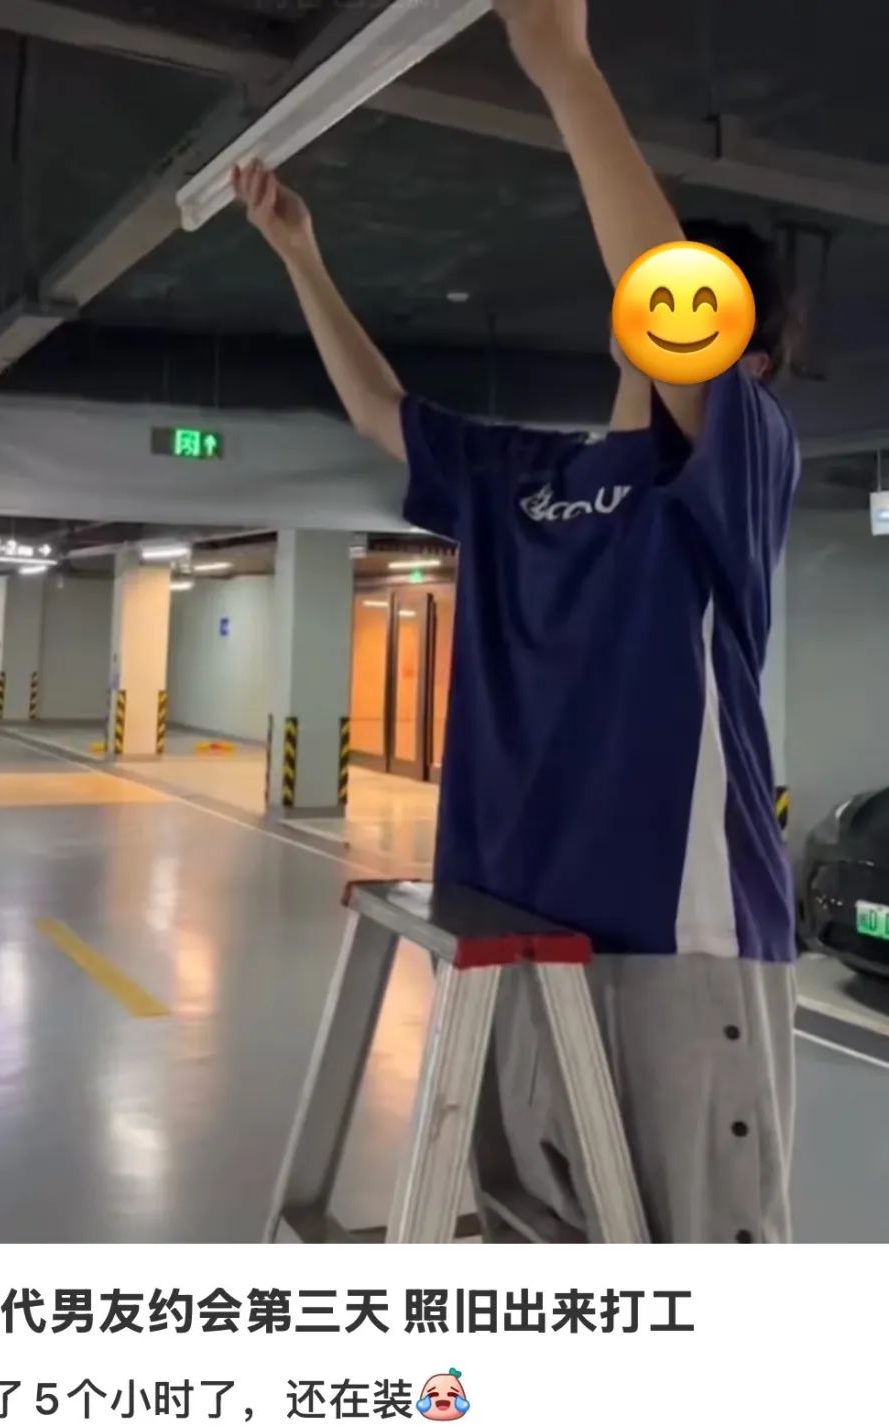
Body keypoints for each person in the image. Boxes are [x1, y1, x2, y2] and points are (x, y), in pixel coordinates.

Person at [233, 0, 800, 1244]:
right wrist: (299, 254)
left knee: (694, 1288)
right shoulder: (522, 475)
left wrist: (562, 63)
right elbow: (381, 411)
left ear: (742, 359)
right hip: (506, 930)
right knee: (527, 1240)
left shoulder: (728, 473)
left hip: (672, 939)